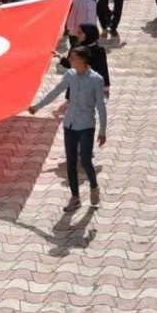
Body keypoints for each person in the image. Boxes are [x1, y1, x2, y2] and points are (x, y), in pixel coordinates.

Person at [28, 45, 108, 212]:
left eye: (73, 58)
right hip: (69, 124)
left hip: (86, 125)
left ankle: (94, 186)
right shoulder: (70, 75)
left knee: (85, 160)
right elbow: (56, 92)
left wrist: (102, 131)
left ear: (83, 60)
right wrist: (37, 106)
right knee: (70, 162)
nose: (69, 60)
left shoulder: (96, 79)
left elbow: (101, 106)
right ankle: (75, 198)